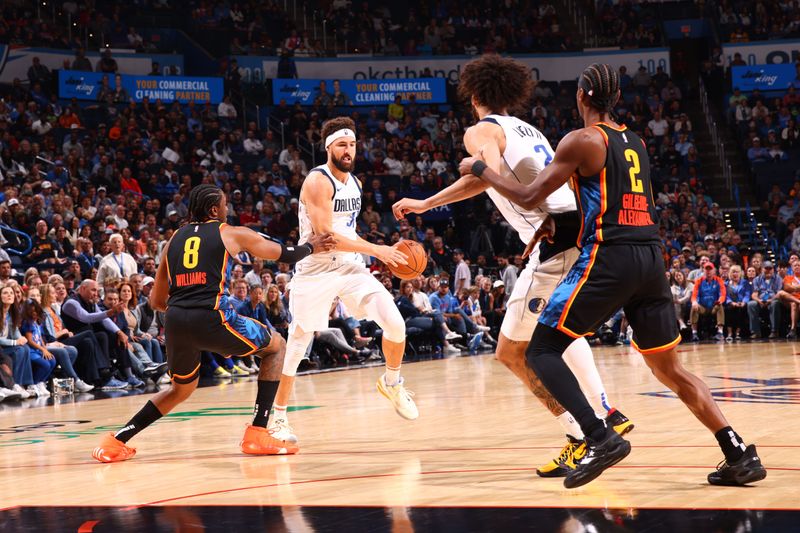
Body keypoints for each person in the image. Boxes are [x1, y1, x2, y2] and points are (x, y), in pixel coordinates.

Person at [461, 62, 764, 488]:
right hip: (651, 259)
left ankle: (598, 434)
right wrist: (554, 224)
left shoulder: (582, 139)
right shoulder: (635, 142)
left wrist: (480, 171)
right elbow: (600, 197)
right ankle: (737, 451)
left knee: (541, 349)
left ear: (582, 96)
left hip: (611, 257)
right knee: (670, 369)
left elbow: (529, 196)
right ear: (615, 99)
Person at [393, 54, 632, 478]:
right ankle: (603, 411)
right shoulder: (525, 127)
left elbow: (490, 171)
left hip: (556, 240)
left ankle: (584, 435)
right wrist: (428, 203)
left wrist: (489, 174)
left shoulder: (480, 130)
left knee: (512, 351)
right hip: (575, 230)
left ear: (473, 94)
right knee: (557, 330)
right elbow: (487, 178)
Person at [91, 184, 335, 462]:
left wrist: (187, 304)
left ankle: (115, 441)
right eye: (225, 205)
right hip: (212, 316)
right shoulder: (229, 232)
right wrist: (310, 246)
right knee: (276, 346)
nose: (227, 209)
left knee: (180, 389)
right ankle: (257, 431)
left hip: (176, 321)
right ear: (213, 209)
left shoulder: (173, 240)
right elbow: (283, 253)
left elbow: (157, 300)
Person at [269, 117, 416, 450]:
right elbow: (327, 237)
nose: (348, 151)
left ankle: (392, 381)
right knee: (296, 347)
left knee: (395, 323)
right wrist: (376, 249)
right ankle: (277, 416)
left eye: (352, 145)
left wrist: (368, 251)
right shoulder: (317, 181)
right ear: (328, 148)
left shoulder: (357, 184)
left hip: (350, 267)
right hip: (316, 270)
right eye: (341, 145)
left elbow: (347, 232)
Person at [689, 263, 726, 342]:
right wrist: (694, 302)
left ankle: (720, 332)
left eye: (710, 269)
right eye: (706, 269)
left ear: (714, 271)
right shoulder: (698, 281)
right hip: (703, 307)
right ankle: (694, 333)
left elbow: (723, 294)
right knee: (694, 307)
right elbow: (694, 295)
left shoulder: (719, 280)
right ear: (703, 270)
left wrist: (720, 300)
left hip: (713, 307)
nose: (708, 271)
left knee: (720, 305)